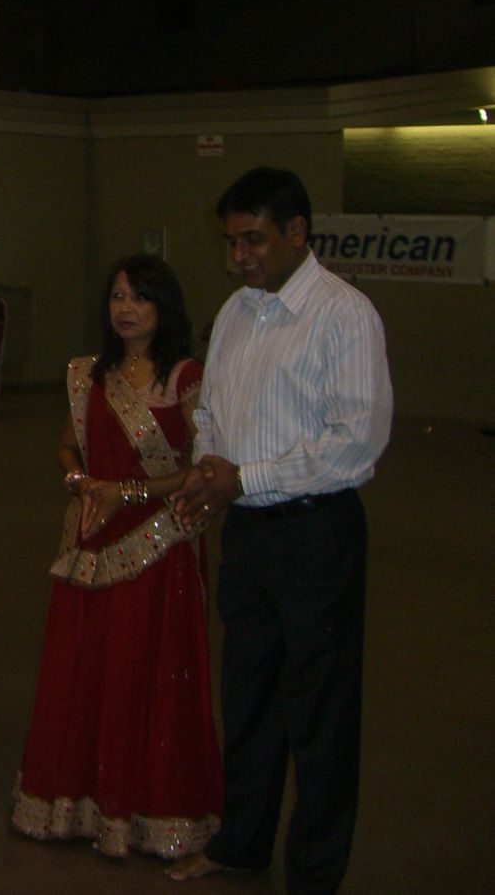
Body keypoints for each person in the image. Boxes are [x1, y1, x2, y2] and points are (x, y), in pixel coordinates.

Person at [168, 168, 392, 893]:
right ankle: (241, 843)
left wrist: (245, 478)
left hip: (316, 534)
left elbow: (355, 444)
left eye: (254, 239)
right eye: (232, 241)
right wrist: (211, 471)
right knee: (249, 696)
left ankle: (314, 876)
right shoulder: (237, 311)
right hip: (250, 535)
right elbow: (213, 412)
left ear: (297, 232)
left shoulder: (344, 314)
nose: (240, 256)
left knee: (320, 711)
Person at [13, 253, 222, 859]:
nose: (126, 309)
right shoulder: (90, 374)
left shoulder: (185, 377)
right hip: (93, 542)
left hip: (159, 544)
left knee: (147, 677)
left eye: (140, 298)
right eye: (117, 297)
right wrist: (82, 483)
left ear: (164, 307)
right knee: (88, 672)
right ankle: (76, 806)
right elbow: (66, 449)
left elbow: (203, 468)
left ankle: (149, 813)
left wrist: (124, 492)